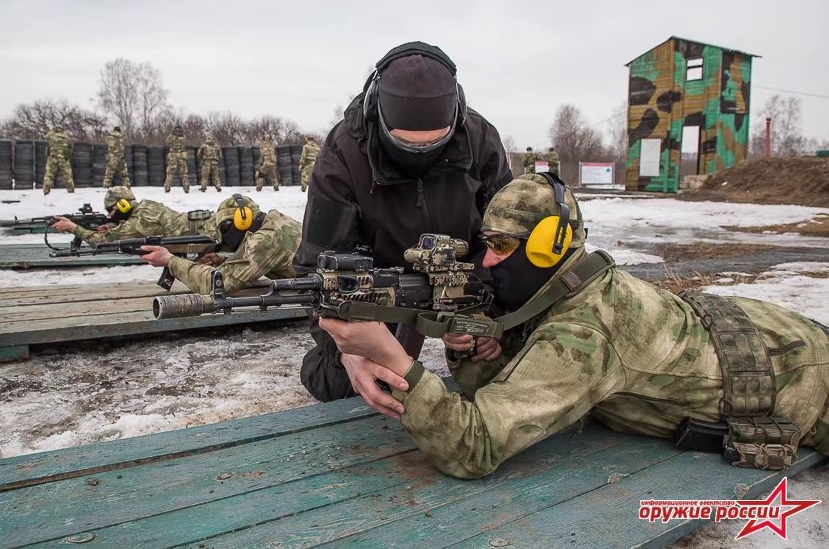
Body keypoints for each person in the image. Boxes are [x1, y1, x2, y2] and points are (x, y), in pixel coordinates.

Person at [320, 173, 829, 478]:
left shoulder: (583, 333)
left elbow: (472, 447)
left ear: (549, 246)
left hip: (804, 378)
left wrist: (393, 359)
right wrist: (472, 348)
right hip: (769, 336)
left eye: (502, 247)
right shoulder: (578, 285)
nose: (488, 264)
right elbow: (521, 394)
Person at [294, 41, 512, 414]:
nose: (420, 157)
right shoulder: (343, 155)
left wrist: (494, 321)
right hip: (381, 290)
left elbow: (508, 243)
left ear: (456, 117)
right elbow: (319, 268)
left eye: (435, 144)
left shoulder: (480, 140)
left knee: (513, 369)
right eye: (403, 145)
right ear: (375, 111)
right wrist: (346, 350)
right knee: (349, 386)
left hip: (470, 281)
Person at [140, 195, 302, 295]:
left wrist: (170, 261)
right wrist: (224, 259)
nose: (223, 237)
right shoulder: (275, 223)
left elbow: (217, 285)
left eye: (224, 228)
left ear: (242, 221)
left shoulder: (265, 240)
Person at [51, 186, 216, 246]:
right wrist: (112, 226)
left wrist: (72, 227)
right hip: (204, 222)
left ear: (122, 205)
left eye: (111, 210)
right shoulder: (147, 205)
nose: (110, 214)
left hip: (209, 229)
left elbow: (99, 242)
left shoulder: (137, 224)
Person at [42, 125, 74, 194]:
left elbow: (45, 137)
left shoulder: (51, 134)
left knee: (49, 175)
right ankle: (70, 189)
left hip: (52, 157)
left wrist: (44, 132)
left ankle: (46, 190)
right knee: (67, 175)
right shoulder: (65, 135)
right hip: (63, 158)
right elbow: (69, 145)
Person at [165, 124, 190, 193]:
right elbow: (185, 143)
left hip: (173, 155)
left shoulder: (171, 136)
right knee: (184, 173)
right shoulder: (183, 136)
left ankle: (167, 187)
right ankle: (186, 188)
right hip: (182, 155)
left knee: (170, 173)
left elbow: (167, 142)